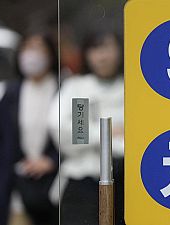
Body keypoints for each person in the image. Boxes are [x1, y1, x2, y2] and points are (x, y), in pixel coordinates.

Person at [48, 30, 124, 225]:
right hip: (84, 180)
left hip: (126, 181)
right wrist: (107, 133)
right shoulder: (78, 88)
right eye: (96, 49)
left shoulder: (131, 87)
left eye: (108, 48)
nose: (103, 56)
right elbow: (69, 131)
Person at [0, 32, 58, 225]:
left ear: (51, 54)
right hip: (17, 187)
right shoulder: (11, 92)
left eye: (39, 47)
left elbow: (79, 137)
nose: (32, 54)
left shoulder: (68, 89)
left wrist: (52, 160)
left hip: (55, 186)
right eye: (28, 47)